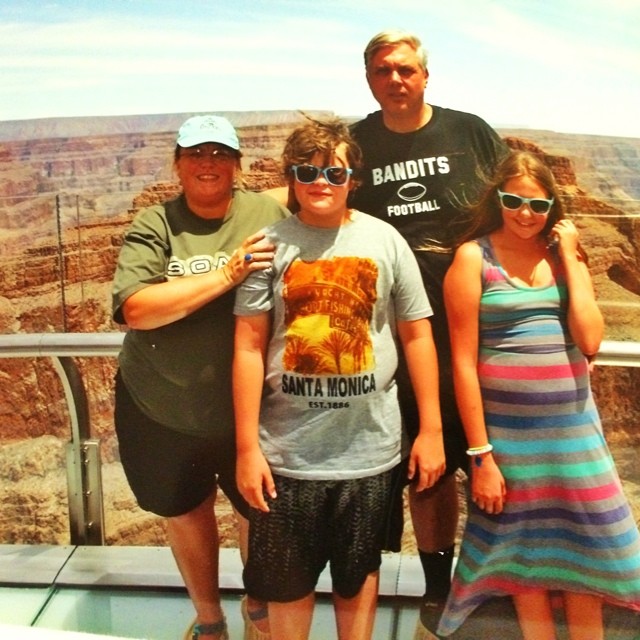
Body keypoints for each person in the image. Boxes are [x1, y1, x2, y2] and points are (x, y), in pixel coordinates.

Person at [232, 117, 445, 640]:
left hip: (369, 454)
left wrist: (433, 430)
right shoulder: (268, 246)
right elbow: (248, 345)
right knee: (286, 587)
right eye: (307, 171)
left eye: (333, 171)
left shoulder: (385, 240)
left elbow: (418, 336)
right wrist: (246, 448)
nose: (320, 181)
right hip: (287, 457)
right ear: (291, 177)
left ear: (354, 178)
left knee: (358, 578)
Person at [438, 150, 640, 638]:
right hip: (508, 442)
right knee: (525, 563)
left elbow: (590, 340)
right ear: (497, 199)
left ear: (553, 207)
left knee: (587, 553)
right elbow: (462, 364)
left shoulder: (561, 257)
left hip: (572, 433)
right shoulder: (473, 258)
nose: (525, 214)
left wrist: (570, 257)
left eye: (537, 205)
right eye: (513, 201)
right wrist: (482, 456)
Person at [348, 29, 510, 636]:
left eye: (407, 69)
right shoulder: (358, 143)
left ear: (425, 75)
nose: (397, 79)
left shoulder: (470, 132)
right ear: (369, 78)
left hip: (481, 325)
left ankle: (498, 579)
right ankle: (439, 587)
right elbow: (315, 201)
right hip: (402, 334)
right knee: (430, 467)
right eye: (384, 70)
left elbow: (522, 197)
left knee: (496, 459)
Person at [112, 115, 289, 640]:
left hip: (247, 408)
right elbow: (138, 309)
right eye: (195, 153)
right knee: (185, 511)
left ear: (238, 164)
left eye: (219, 154)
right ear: (178, 163)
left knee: (256, 511)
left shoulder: (266, 211)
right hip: (161, 405)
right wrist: (228, 274)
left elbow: (320, 192)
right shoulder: (156, 223)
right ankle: (209, 620)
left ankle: (257, 606)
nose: (207, 163)